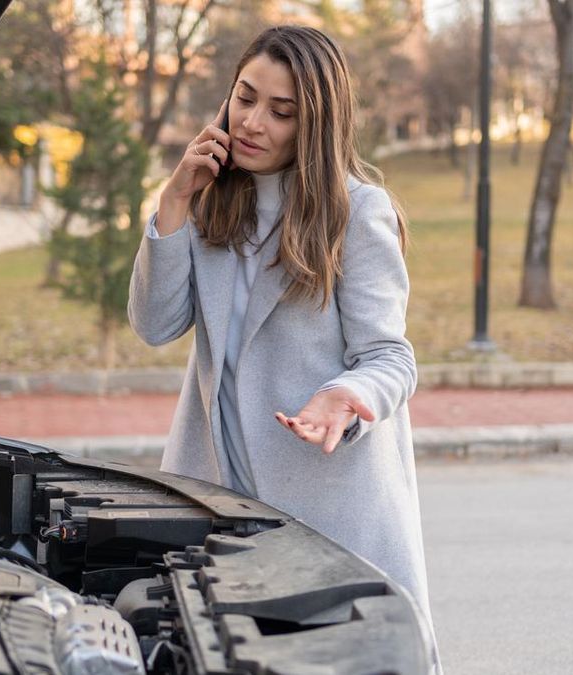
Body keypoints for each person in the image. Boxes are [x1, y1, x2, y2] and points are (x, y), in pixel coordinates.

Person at [128, 25, 439, 668]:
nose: (252, 122)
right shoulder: (213, 201)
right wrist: (174, 200)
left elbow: (391, 357)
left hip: (325, 517)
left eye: (281, 111)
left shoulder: (358, 212)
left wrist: (342, 397)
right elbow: (156, 325)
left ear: (315, 125)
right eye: (244, 98)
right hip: (218, 509)